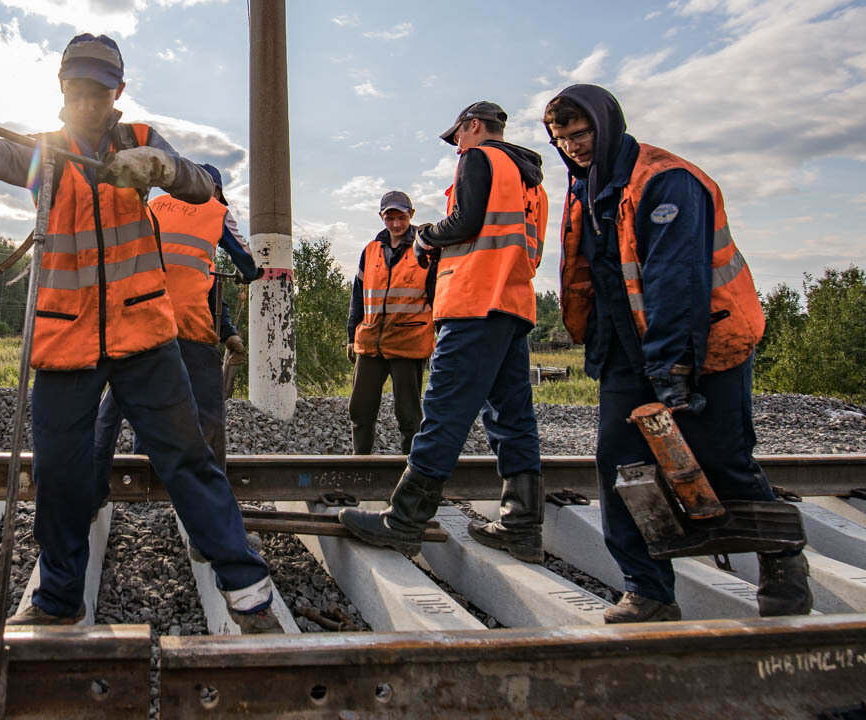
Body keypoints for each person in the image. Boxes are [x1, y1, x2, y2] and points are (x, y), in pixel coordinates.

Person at [0, 35, 280, 632]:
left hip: (144, 335)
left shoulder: (138, 139)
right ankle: (60, 598)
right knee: (59, 474)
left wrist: (163, 168)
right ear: (62, 87)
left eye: (98, 89)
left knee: (188, 460)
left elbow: (201, 187)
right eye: (76, 87)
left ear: (118, 90)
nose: (86, 99)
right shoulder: (44, 153)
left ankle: (248, 592)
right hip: (66, 341)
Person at [544, 84, 812, 623]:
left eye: (581, 133)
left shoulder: (666, 181)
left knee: (723, 461)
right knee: (621, 469)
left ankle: (782, 562)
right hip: (625, 346)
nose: (573, 145)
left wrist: (673, 371)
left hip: (705, 344)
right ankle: (648, 591)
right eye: (562, 138)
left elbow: (676, 282)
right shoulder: (587, 188)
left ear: (608, 123)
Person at [339, 102, 548, 563]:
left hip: (474, 303)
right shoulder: (530, 178)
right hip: (513, 304)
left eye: (457, 136)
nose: (457, 146)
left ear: (473, 127)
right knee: (512, 416)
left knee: (443, 410)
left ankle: (404, 521)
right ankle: (522, 526)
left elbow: (466, 222)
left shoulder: (480, 159)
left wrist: (428, 236)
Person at [94, 162, 262, 489]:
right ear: (211, 189)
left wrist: (227, 331)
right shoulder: (216, 211)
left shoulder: (153, 205)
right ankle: (214, 506)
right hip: (188, 325)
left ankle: (92, 490)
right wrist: (250, 273)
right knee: (209, 412)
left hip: (140, 319)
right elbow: (245, 262)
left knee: (113, 406)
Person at [346, 190, 435, 455]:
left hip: (408, 343)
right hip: (371, 340)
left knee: (408, 413)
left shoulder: (426, 249)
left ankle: (410, 467)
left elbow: (437, 297)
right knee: (360, 409)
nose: (396, 224)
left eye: (401, 217)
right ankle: (360, 464)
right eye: (390, 218)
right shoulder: (371, 251)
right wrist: (352, 336)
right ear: (381, 217)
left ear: (412, 215)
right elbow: (358, 296)